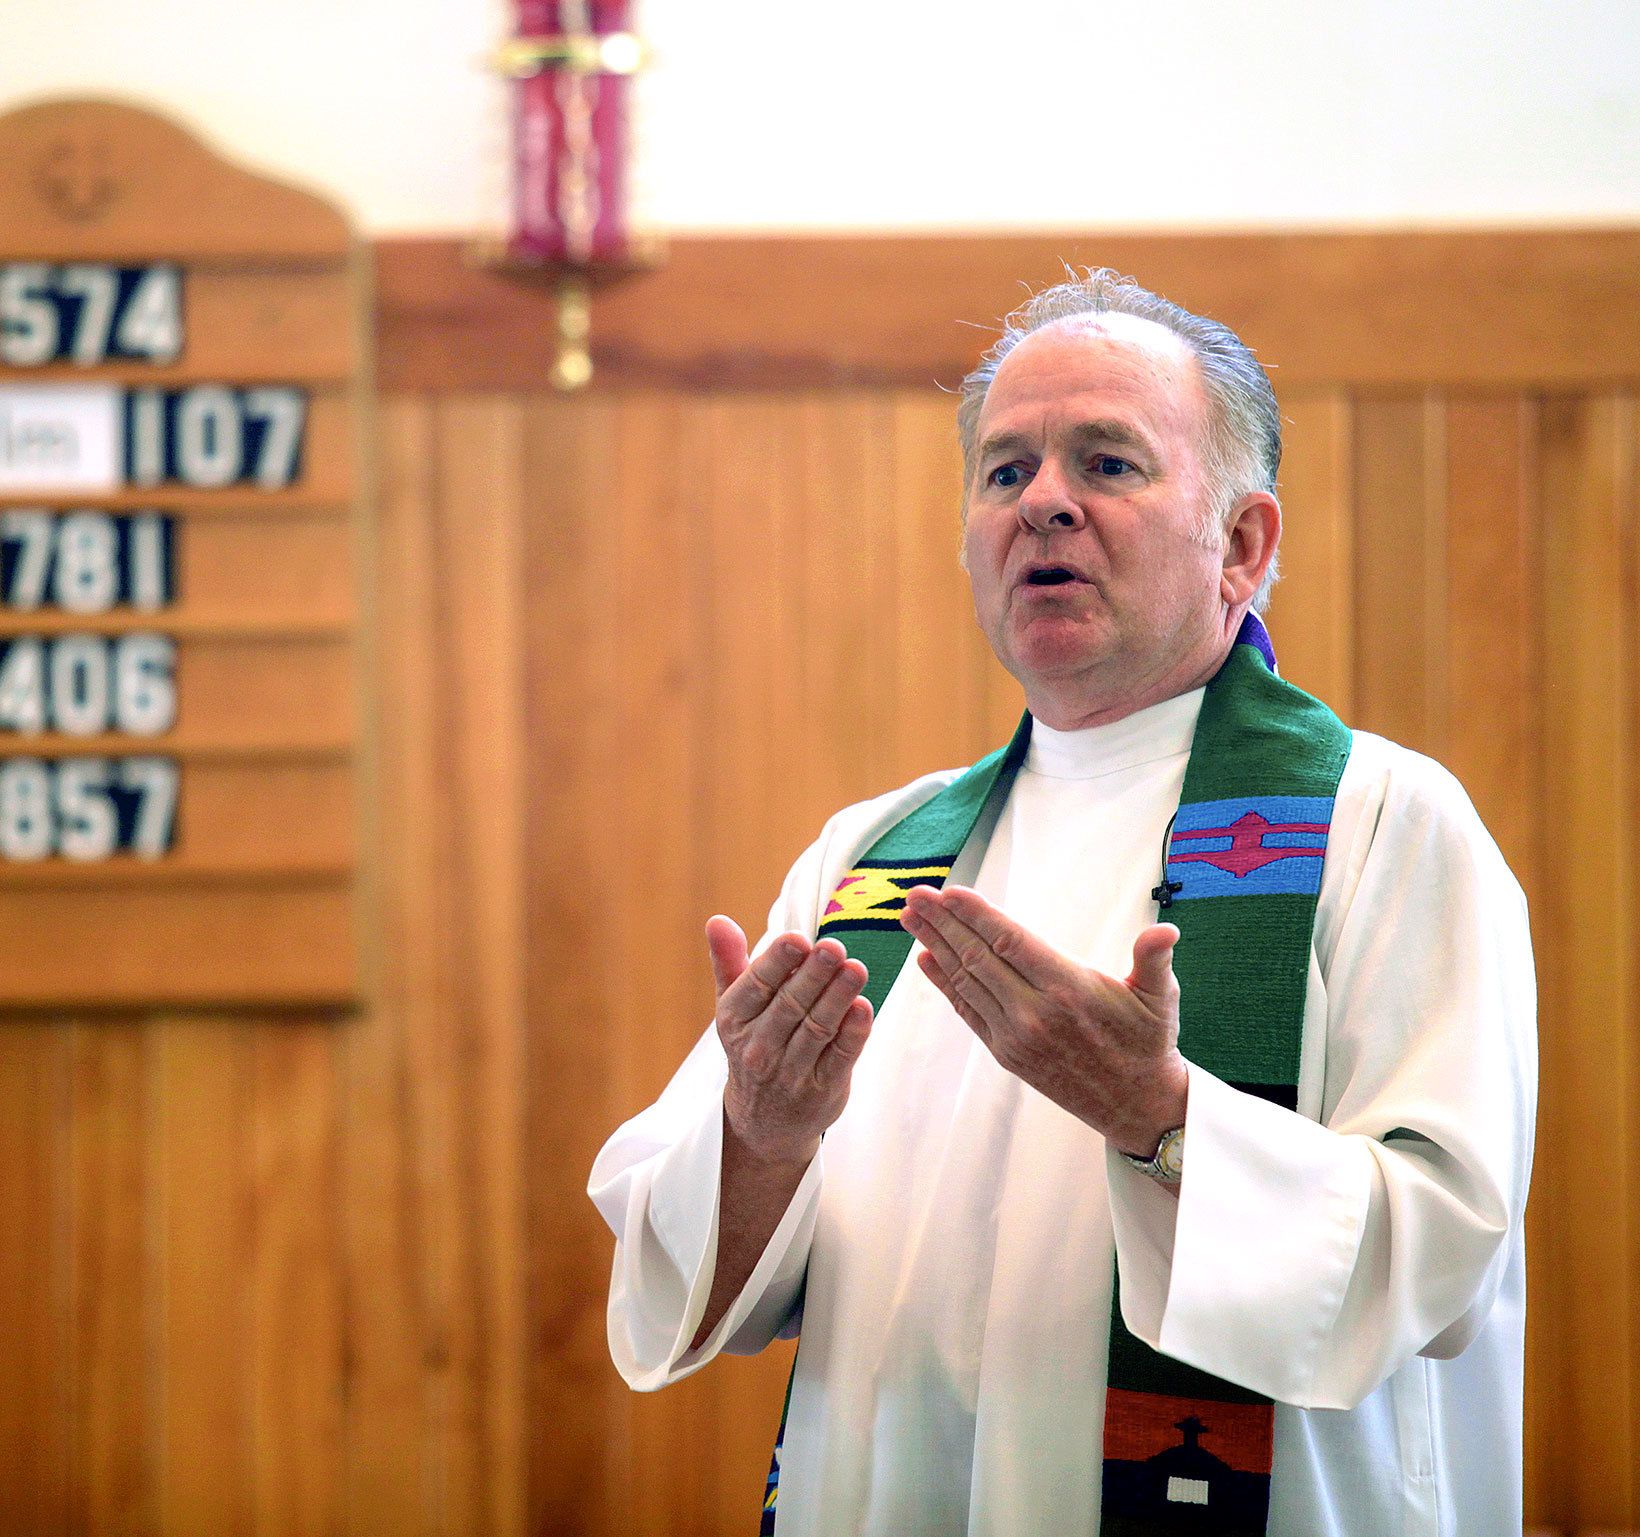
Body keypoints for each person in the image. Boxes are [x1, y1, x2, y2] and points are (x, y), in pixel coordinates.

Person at [588, 271, 1536, 1536]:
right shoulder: (872, 855)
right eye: (1002, 472)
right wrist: (759, 1135)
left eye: (1106, 462)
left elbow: (1442, 1256)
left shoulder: (1383, 823)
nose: (1041, 501)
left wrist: (1158, 1116)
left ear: (1241, 547)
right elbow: (685, 1282)